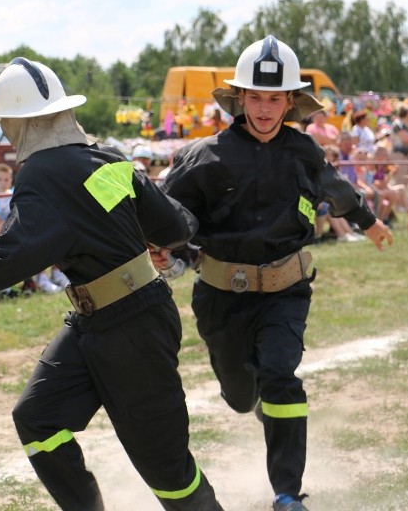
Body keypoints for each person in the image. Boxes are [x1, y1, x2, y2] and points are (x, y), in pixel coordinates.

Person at [0, 57, 224, 510]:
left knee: (166, 467)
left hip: (133, 328)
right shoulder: (110, 159)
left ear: (19, 124)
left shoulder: (40, 175)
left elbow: (13, 254)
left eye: (7, 125)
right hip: (103, 319)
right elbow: (176, 228)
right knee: (39, 418)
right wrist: (151, 240)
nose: (6, 135)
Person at [162, 36, 393, 511]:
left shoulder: (305, 152)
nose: (264, 108)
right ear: (240, 99)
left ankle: (287, 492)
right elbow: (169, 219)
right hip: (220, 299)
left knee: (280, 374)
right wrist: (171, 256)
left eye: (274, 98)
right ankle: (257, 404)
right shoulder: (203, 156)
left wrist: (368, 223)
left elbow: (337, 190)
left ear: (290, 102)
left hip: (286, 291)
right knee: (241, 398)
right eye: (255, 97)